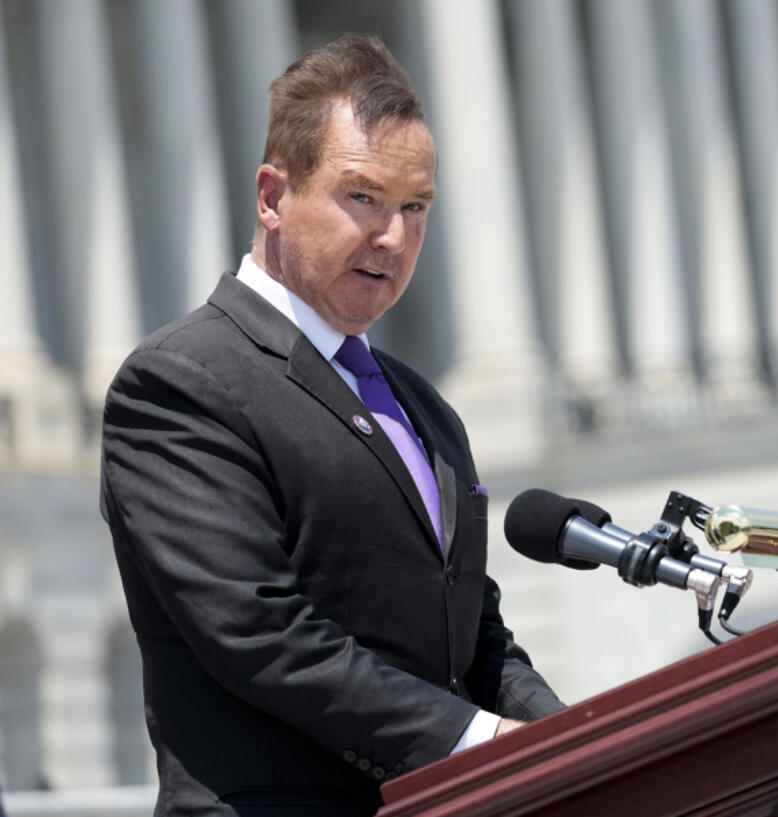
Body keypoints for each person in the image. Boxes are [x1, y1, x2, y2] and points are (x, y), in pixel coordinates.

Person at [100, 34, 565, 817]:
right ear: (273, 197)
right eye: (363, 198)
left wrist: (574, 735)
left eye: (415, 207)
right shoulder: (179, 382)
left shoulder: (424, 404)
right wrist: (481, 741)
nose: (393, 236)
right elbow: (262, 634)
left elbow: (473, 634)